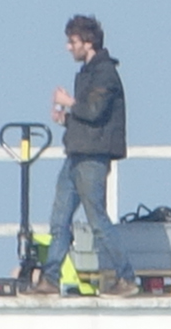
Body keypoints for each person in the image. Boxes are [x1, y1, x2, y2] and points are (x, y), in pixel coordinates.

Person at [27, 15, 138, 297]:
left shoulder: (105, 74)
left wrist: (69, 104)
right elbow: (88, 117)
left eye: (72, 41)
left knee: (97, 221)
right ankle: (50, 279)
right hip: (77, 154)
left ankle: (126, 277)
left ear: (88, 43)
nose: (68, 47)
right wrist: (65, 119)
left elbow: (94, 111)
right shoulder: (90, 73)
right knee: (59, 220)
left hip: (92, 159)